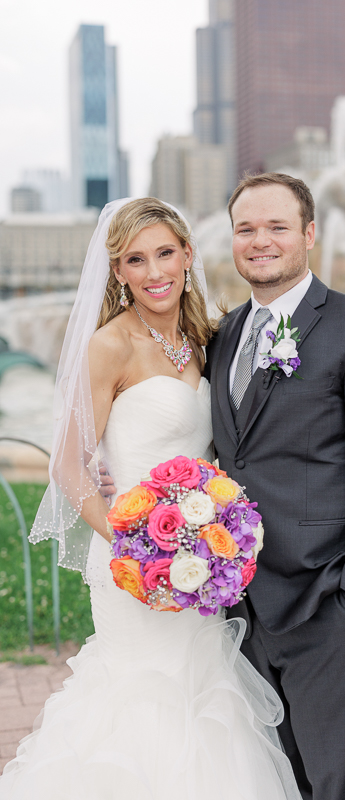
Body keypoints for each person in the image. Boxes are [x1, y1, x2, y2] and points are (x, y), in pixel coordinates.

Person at [0, 198, 301, 800]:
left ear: (188, 255)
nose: (154, 271)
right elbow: (67, 465)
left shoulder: (207, 336)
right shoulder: (109, 346)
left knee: (201, 693)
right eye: (136, 260)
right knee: (140, 697)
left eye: (166, 253)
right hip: (133, 564)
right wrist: (138, 546)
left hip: (201, 562)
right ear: (118, 272)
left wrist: (209, 537)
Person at [205, 173, 345, 800]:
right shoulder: (224, 335)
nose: (260, 241)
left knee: (340, 785)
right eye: (247, 229)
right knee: (272, 782)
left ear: (309, 234)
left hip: (326, 601)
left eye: (277, 227)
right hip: (238, 606)